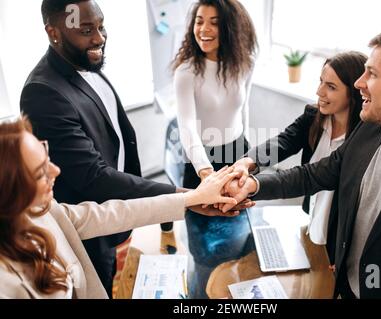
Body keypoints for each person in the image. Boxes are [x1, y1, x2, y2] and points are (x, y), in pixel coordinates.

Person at [19, 0, 251, 297]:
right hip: (90, 228)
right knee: (98, 285)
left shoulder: (87, 63)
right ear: (53, 32)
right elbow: (94, 177)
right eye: (86, 30)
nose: (99, 38)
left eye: (101, 27)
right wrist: (188, 196)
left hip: (115, 214)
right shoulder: (44, 92)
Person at [224, 26, 381, 298]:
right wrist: (253, 185)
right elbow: (312, 175)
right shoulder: (368, 132)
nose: (359, 82)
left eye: (373, 74)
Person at [0, 116, 242, 299]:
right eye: (40, 172)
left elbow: (115, 213)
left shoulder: (46, 211)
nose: (56, 171)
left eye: (47, 157)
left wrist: (190, 199)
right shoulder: (6, 282)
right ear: (11, 192)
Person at [229, 51, 367, 265]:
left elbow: (310, 176)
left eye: (331, 87)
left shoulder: (363, 136)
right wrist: (248, 161)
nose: (319, 91)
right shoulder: (314, 117)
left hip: (339, 233)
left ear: (354, 93)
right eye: (321, 82)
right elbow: (283, 142)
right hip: (312, 217)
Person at [171, 0, 258, 298]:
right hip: (202, 163)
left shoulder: (245, 62)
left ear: (230, 27)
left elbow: (243, 111)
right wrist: (207, 175)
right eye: (199, 20)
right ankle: (199, 296)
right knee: (206, 250)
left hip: (237, 157)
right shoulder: (186, 72)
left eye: (214, 21)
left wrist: (248, 159)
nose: (203, 29)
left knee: (240, 239)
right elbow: (187, 129)